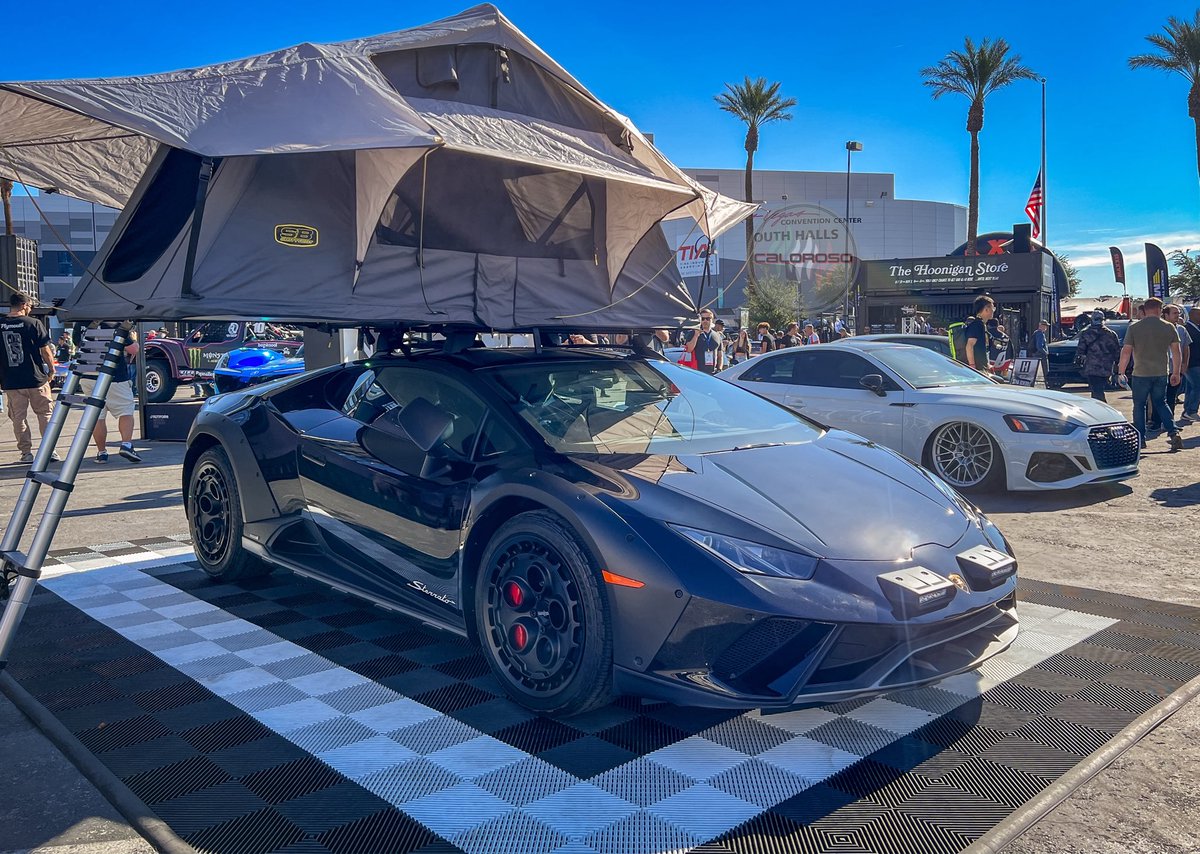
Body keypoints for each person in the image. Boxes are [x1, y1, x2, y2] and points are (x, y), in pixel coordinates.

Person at [1118, 297, 1183, 452]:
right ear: (1159, 310)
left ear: (1145, 310)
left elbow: (1126, 352)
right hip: (1161, 372)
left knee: (1139, 406)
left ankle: (1141, 439)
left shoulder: (1134, 328)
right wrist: (1176, 372)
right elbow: (1176, 352)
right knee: (1161, 403)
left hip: (1141, 373)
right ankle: (1173, 433)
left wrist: (1121, 372)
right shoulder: (1169, 327)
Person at [0, 293, 58, 464]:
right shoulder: (33, 323)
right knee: (45, 414)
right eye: (30, 306)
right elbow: (45, 350)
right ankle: (50, 450)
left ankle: (26, 452)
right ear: (24, 305)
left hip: (11, 380)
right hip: (36, 378)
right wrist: (52, 369)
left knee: (18, 417)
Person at [82, 321, 141, 464]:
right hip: (114, 375)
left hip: (87, 374)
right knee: (126, 410)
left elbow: (78, 343)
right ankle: (126, 445)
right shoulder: (115, 326)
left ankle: (101, 452)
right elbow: (133, 349)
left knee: (98, 415)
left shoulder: (82, 323)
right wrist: (133, 339)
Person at [1150, 304, 1191, 430]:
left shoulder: (1182, 330)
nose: (1178, 316)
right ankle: (1156, 423)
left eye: (1178, 313)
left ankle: (1169, 423)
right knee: (1159, 397)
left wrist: (1184, 364)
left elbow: (1186, 348)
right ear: (1165, 315)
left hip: (1175, 369)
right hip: (1160, 369)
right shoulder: (1157, 329)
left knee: (1171, 397)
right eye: (1174, 313)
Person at [1075, 312, 1121, 401]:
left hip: (1091, 368)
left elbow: (1080, 351)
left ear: (1092, 320)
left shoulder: (1086, 334)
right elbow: (1117, 353)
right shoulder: (1111, 334)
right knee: (1098, 390)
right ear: (1103, 320)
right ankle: (1099, 407)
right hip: (1106, 368)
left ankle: (1101, 408)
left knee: (1096, 391)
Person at [685, 309, 723, 374]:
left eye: (708, 318)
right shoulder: (693, 333)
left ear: (712, 320)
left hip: (713, 373)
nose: (705, 321)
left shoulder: (717, 335)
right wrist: (696, 335)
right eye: (703, 319)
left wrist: (719, 369)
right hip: (696, 371)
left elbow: (720, 355)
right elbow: (688, 349)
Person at [963, 295, 995, 373]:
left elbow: (982, 349)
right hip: (978, 369)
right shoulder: (977, 325)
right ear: (986, 309)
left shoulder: (982, 324)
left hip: (982, 367)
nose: (993, 310)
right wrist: (972, 366)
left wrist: (987, 365)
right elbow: (969, 346)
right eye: (992, 308)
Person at [1183, 307, 1200, 422]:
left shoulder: (1196, 328)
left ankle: (1186, 411)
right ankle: (1191, 411)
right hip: (1192, 363)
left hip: (1195, 363)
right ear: (1193, 315)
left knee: (1190, 388)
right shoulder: (1187, 329)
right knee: (1198, 386)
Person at [1031, 320, 1050, 385]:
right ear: (1041, 326)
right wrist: (1045, 353)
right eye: (1045, 326)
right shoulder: (1040, 334)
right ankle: (1046, 384)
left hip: (1036, 354)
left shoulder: (1036, 333)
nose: (1046, 327)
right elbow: (1039, 346)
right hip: (1041, 355)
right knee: (1045, 371)